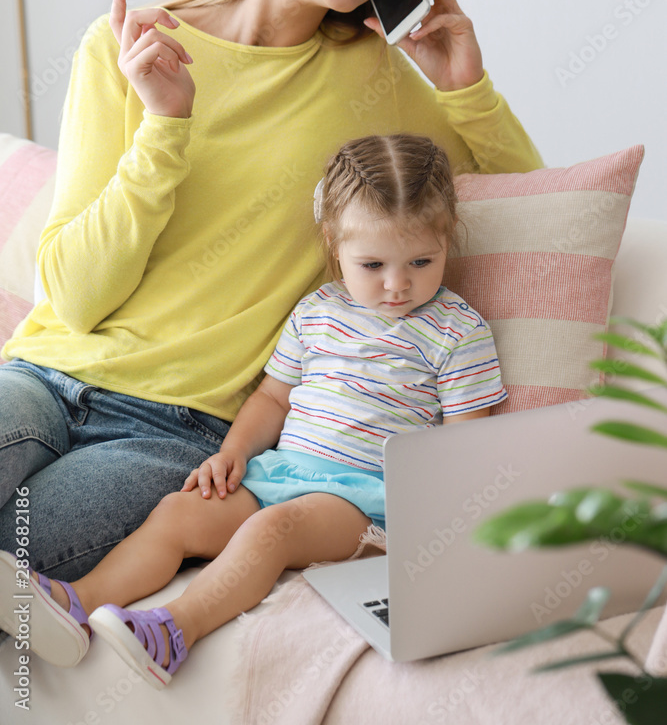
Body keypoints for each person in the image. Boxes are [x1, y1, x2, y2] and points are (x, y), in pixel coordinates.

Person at [0, 0, 541, 588]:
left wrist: (464, 87)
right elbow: (76, 298)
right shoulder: (127, 48)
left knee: (20, 559)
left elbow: (537, 205)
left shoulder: (377, 78)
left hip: (182, 428)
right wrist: (165, 124)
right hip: (45, 377)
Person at [0, 133, 507, 688]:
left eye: (420, 261)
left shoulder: (458, 331)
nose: (396, 284)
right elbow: (271, 398)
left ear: (447, 241)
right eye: (373, 264)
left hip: (366, 501)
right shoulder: (318, 311)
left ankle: (174, 631)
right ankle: (77, 605)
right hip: (280, 474)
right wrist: (233, 454)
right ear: (334, 246)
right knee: (178, 511)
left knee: (274, 530)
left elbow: (463, 447)